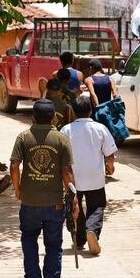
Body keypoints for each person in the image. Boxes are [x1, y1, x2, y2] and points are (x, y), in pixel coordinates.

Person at [10, 100, 77, 278]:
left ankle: (32, 277)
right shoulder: (61, 139)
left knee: (28, 238)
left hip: (29, 201)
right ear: (53, 118)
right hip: (54, 202)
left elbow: (14, 166)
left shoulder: (23, 137)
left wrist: (18, 189)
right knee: (53, 245)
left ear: (33, 117)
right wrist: (73, 201)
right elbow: (67, 172)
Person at [61, 96, 117, 256]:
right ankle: (92, 230)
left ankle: (78, 240)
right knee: (97, 206)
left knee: (73, 207)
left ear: (73, 111)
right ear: (91, 110)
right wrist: (110, 166)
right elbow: (109, 152)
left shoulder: (66, 130)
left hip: (72, 178)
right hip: (95, 177)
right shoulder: (100, 128)